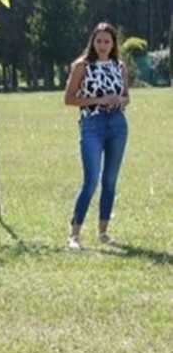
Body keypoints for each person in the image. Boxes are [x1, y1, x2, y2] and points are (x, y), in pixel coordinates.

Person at [64, 22, 130, 250]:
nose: (103, 46)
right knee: (91, 179)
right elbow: (69, 98)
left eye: (107, 41)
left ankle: (103, 232)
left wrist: (119, 100)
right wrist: (99, 100)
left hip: (118, 125)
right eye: (99, 41)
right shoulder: (82, 66)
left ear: (113, 44)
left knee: (110, 181)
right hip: (92, 124)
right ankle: (74, 234)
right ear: (92, 42)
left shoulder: (119, 67)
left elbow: (126, 97)